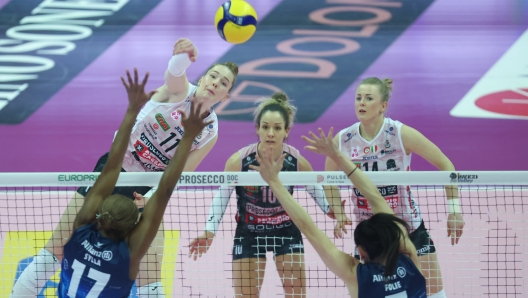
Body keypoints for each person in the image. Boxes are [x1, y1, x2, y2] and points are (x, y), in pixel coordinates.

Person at [10, 38, 238, 297]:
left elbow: (182, 171)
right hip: (114, 170)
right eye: (213, 76)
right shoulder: (179, 91)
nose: (215, 83)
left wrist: (149, 199)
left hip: (148, 189)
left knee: (150, 278)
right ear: (204, 77)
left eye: (223, 83)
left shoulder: (210, 131)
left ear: (226, 95)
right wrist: (185, 56)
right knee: (55, 249)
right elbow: (175, 71)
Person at [188, 92, 347, 297]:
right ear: (258, 129)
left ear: (286, 131)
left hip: (286, 232)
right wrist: (209, 231)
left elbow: (315, 190)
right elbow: (222, 196)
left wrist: (330, 209)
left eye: (277, 128)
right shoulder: (238, 162)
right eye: (265, 127)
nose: (270, 133)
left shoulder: (296, 162)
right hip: (250, 233)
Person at [325, 77, 464, 297]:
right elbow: (327, 180)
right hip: (370, 235)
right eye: (358, 98)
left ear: (383, 106)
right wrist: (338, 211)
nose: (361, 102)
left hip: (408, 227)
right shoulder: (343, 140)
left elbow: (446, 165)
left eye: (369, 98)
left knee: (434, 291)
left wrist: (455, 210)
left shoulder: (399, 134)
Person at [251, 127, 427, 297]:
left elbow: (308, 227)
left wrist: (273, 181)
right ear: (392, 238)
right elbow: (376, 198)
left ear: (361, 252)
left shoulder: (356, 276)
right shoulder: (410, 259)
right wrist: (337, 156)